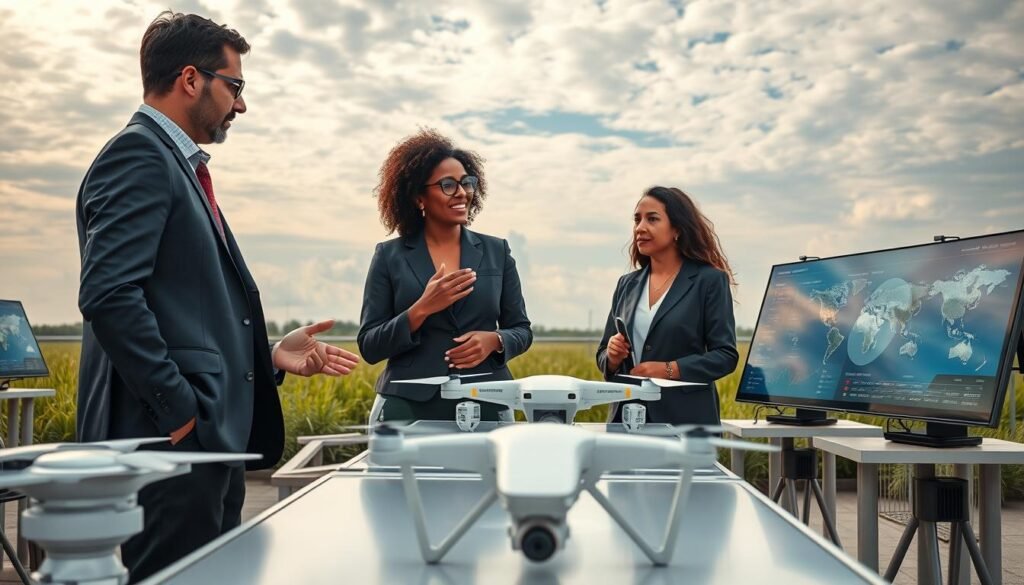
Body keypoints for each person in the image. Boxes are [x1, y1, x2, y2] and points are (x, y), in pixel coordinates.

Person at [75, 12, 359, 581]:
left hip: (195, 446)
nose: (242, 105)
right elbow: (109, 294)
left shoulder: (173, 163)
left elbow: (185, 313)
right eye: (236, 86)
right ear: (190, 79)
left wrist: (268, 355)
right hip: (168, 447)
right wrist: (181, 416)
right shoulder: (140, 156)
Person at [358, 129, 532, 422]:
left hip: (488, 401)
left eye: (467, 183)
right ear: (418, 197)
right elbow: (370, 345)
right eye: (448, 185)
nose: (462, 192)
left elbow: (522, 330)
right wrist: (421, 309)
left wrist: (495, 340)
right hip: (407, 406)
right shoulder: (389, 256)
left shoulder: (496, 251)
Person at [596, 186, 738, 425]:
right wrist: (611, 355)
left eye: (652, 219)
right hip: (627, 419)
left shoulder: (709, 280)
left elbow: (725, 356)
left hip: (686, 421)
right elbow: (603, 356)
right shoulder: (626, 285)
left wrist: (669, 369)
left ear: (677, 230)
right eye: (637, 220)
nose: (640, 228)